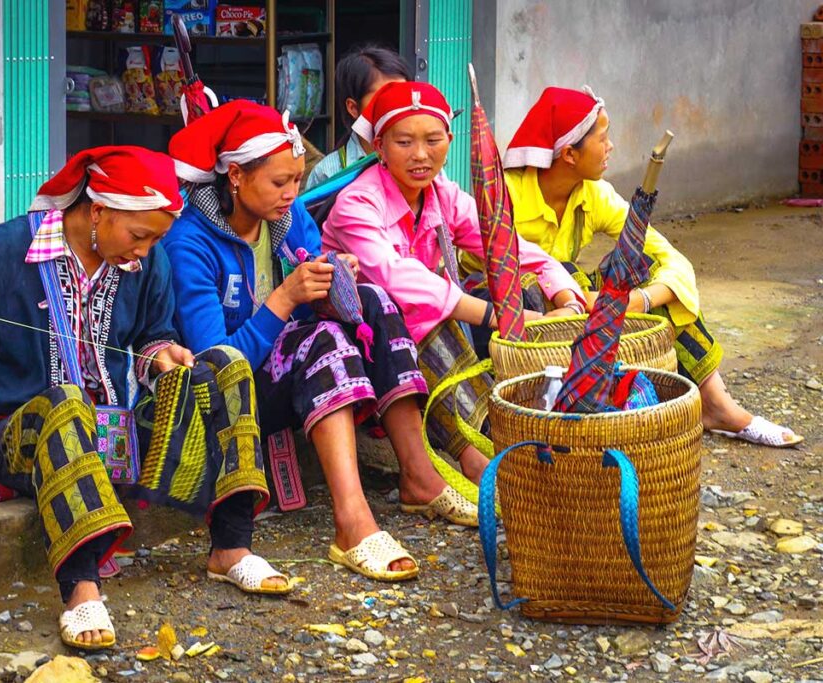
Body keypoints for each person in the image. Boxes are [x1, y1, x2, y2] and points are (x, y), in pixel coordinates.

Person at [0, 146, 291, 652]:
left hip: (113, 437)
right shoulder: (8, 250)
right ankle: (81, 587)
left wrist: (161, 354)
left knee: (225, 365)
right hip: (26, 437)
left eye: (155, 238)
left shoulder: (146, 260)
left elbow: (154, 331)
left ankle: (230, 546)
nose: (146, 250)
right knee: (64, 399)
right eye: (139, 236)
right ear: (98, 210)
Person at [164, 100, 478, 583]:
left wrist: (336, 284)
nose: (292, 193)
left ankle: (418, 473)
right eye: (278, 183)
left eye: (295, 180)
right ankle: (352, 521)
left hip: (288, 377)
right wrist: (288, 298)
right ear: (234, 178)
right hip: (230, 401)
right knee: (324, 342)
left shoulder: (286, 221)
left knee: (372, 297)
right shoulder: (190, 243)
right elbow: (217, 363)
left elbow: (318, 292)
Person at [458, 86, 803, 448]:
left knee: (642, 263)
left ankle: (716, 404)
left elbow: (671, 259)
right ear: (569, 154)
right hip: (504, 322)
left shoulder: (594, 193)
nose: (611, 148)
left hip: (571, 311)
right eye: (603, 138)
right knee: (557, 272)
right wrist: (575, 292)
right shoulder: (506, 195)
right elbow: (493, 273)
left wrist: (640, 300)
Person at [322, 82, 589, 483]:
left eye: (432, 140)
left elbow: (505, 246)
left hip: (429, 322)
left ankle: (534, 424)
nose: (420, 155)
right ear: (379, 146)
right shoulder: (357, 203)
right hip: (366, 338)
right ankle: (472, 450)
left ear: (449, 140)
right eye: (404, 142)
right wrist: (494, 315)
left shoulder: (444, 194)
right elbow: (397, 280)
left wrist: (561, 290)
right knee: (428, 312)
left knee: (525, 287)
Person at [303, 44, 412, 190]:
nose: (396, 108)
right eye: (384, 99)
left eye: (403, 97)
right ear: (353, 108)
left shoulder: (420, 161)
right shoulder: (328, 173)